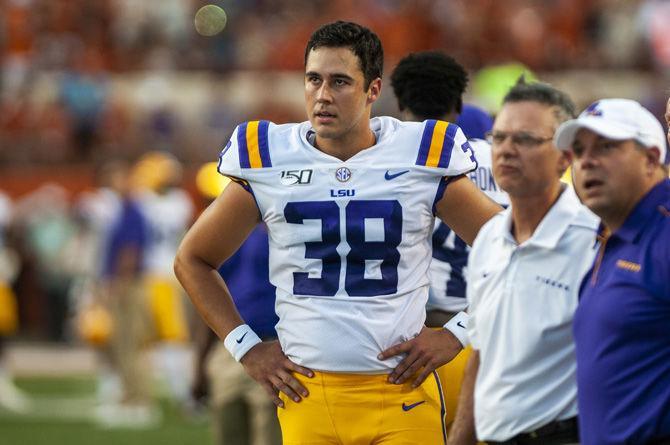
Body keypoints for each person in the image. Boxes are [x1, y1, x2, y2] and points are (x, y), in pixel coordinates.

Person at [175, 21, 501, 444]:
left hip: (400, 392)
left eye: (340, 81)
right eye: (314, 79)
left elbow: (510, 249)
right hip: (309, 396)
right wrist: (246, 347)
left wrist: (459, 332)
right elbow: (193, 259)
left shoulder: (420, 153)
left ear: (372, 90)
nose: (323, 95)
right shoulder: (270, 155)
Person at [448, 79, 599, 445]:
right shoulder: (488, 240)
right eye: (498, 138)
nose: (506, 150)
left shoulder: (594, 243)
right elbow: (482, 356)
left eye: (526, 140)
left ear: (566, 156)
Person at [386, 50, 509, 428]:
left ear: (400, 101)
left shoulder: (382, 160)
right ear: (458, 103)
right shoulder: (502, 159)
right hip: (501, 332)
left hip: (419, 341)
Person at [554, 98, 670, 445]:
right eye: (579, 150)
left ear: (651, 158)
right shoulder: (610, 236)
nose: (587, 161)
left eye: (606, 147)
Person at [190, 162, 281, 445]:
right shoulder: (221, 242)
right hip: (233, 348)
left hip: (277, 346)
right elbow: (211, 297)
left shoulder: (290, 234)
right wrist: (200, 364)